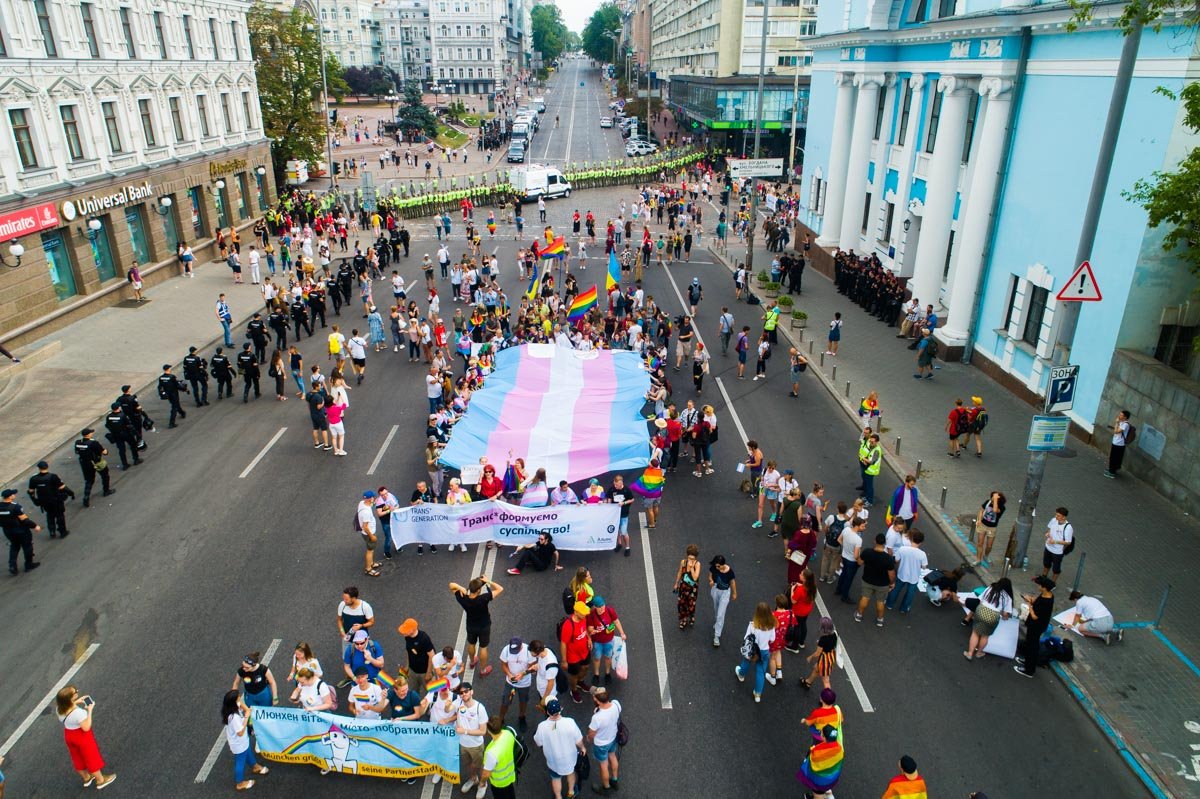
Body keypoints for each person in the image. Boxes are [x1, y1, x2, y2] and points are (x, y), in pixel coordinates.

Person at [54, 686, 116, 789]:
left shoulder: (59, 709)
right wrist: (89, 710)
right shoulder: (78, 713)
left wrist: (76, 702)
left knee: (77, 757)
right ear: (70, 698)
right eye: (75, 692)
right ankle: (101, 780)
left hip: (69, 735)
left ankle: (86, 778)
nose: (77, 691)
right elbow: (86, 727)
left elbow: (68, 709)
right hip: (81, 737)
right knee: (91, 757)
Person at [450, 575, 504, 676]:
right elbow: (500, 589)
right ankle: (483, 670)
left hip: (471, 625)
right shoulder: (483, 598)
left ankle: (472, 661)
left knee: (471, 644)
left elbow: (451, 585)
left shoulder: (463, 598)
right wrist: (488, 581)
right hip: (484, 626)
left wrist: (461, 588)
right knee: (483, 647)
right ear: (479, 590)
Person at [534, 698, 587, 799]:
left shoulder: (542, 727)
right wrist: (583, 748)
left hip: (553, 760)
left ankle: (558, 797)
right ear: (560, 709)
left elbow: (538, 743)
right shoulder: (570, 722)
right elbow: (578, 740)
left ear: (547, 712)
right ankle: (571, 792)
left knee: (556, 778)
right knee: (571, 774)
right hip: (569, 758)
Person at [221, 690, 268, 791]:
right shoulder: (234, 718)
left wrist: (245, 708)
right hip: (239, 743)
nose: (240, 701)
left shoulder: (230, 710)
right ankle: (240, 783)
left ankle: (255, 766)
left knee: (248, 752)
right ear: (233, 703)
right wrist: (247, 716)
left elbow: (245, 708)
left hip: (242, 742)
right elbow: (240, 732)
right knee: (240, 761)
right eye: (238, 699)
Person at [733, 601, 778, 702]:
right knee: (761, 672)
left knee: (746, 663)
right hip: (764, 651)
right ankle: (757, 694)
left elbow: (746, 637)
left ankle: (741, 675)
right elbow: (772, 639)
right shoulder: (771, 626)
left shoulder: (753, 625)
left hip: (753, 650)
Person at [1014, 576, 1056, 678]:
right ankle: (1028, 661)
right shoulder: (1047, 595)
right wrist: (1030, 599)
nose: (1038, 587)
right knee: (1030, 644)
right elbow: (1037, 602)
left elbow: (1035, 616)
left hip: (1036, 626)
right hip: (1036, 625)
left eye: (1040, 585)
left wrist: (1029, 605)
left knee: (1032, 646)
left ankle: (1029, 670)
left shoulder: (1046, 602)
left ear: (1044, 587)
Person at [964, 578, 1014, 660]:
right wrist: (1004, 616)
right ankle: (979, 653)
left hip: (981, 610)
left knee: (975, 632)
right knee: (985, 636)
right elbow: (1005, 614)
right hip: (993, 616)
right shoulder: (1008, 597)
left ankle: (969, 653)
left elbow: (980, 600)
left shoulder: (991, 587)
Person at [455, 683, 489, 797]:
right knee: (469, 764)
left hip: (476, 745)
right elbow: (448, 708)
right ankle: (473, 779)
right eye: (461, 692)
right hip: (463, 743)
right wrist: (447, 705)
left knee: (479, 766)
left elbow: (483, 731)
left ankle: (483, 784)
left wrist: (464, 731)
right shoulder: (459, 703)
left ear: (472, 692)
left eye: (466, 691)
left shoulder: (480, 708)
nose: (463, 694)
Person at [587, 687, 622, 795]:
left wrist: (589, 739)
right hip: (613, 738)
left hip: (601, 744)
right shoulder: (616, 704)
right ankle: (614, 780)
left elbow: (591, 733)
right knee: (612, 756)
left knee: (603, 765)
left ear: (597, 700)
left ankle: (606, 788)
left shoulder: (597, 717)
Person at [25, 461, 71, 539]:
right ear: (47, 467)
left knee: (50, 515)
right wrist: (70, 493)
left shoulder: (33, 479)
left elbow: (31, 491)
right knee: (60, 516)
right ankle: (63, 532)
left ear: (39, 468)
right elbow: (62, 487)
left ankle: (52, 531)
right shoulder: (53, 477)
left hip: (44, 501)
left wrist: (35, 500)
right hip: (56, 500)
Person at [1, 487, 41, 575]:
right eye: (13, 494)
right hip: (21, 531)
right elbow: (24, 520)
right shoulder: (15, 507)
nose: (14, 495)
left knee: (14, 546)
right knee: (27, 547)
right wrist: (35, 526)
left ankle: (12, 565)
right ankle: (28, 564)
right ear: (10, 496)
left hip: (8, 531)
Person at [796, 724, 842, 799]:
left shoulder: (819, 751)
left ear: (824, 737)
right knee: (824, 788)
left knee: (818, 795)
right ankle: (828, 793)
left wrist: (813, 750)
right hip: (831, 777)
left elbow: (813, 762)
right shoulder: (839, 749)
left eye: (821, 732)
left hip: (820, 780)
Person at [587, 597, 626, 686]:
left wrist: (622, 633)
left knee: (608, 657)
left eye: (603, 606)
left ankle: (607, 673)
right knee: (597, 658)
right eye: (599, 607)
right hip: (597, 641)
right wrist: (592, 631)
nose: (602, 609)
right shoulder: (592, 614)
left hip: (609, 640)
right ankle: (596, 674)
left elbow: (616, 622)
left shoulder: (609, 610)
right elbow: (590, 627)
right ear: (595, 607)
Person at [887, 530, 928, 614]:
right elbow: (924, 566)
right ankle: (904, 608)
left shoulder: (902, 549)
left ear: (911, 538)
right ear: (921, 542)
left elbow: (896, 559)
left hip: (902, 574)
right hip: (914, 577)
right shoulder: (922, 554)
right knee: (910, 594)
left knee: (896, 589)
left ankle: (889, 604)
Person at [559, 601, 593, 703]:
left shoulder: (583, 618)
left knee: (585, 667)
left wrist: (589, 638)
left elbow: (585, 630)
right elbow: (563, 643)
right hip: (573, 656)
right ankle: (574, 690)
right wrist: (564, 661)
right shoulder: (568, 625)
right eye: (583, 613)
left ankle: (580, 682)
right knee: (574, 675)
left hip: (585, 651)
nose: (585, 615)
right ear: (576, 612)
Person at [498, 637, 534, 731]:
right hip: (511, 682)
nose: (515, 652)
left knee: (523, 701)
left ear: (521, 645)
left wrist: (523, 674)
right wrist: (509, 674)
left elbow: (533, 667)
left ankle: (521, 717)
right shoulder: (506, 650)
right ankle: (500, 718)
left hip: (524, 683)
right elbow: (504, 665)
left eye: (517, 650)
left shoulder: (528, 651)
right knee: (505, 701)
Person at [73, 428, 113, 508]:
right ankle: (106, 490)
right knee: (105, 475)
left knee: (89, 480)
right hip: (96, 462)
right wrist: (106, 451)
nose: (92, 433)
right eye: (91, 432)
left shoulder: (78, 442)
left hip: (85, 463)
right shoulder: (93, 443)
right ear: (88, 434)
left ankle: (86, 497)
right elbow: (103, 452)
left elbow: (77, 451)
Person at [800, 617, 838, 690]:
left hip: (825, 659)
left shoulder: (823, 639)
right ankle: (808, 682)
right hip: (831, 656)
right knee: (816, 670)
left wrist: (810, 657)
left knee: (826, 681)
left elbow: (817, 653)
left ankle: (827, 698)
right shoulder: (835, 634)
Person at [397, 618, 434, 693]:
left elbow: (432, 655)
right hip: (412, 671)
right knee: (413, 692)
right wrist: (407, 667)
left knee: (432, 693)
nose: (403, 633)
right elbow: (409, 651)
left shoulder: (424, 638)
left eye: (405, 630)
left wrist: (429, 673)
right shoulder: (407, 637)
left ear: (412, 630)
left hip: (424, 672)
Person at [708, 554, 737, 647]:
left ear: (723, 564)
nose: (716, 567)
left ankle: (717, 636)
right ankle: (717, 623)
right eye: (716, 565)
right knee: (716, 609)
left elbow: (732, 582)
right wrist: (711, 581)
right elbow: (710, 575)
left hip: (725, 593)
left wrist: (734, 593)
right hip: (716, 590)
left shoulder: (730, 572)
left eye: (718, 566)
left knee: (721, 614)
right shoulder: (714, 568)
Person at [1040, 506, 1074, 580]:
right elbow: (1049, 529)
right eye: (1056, 514)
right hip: (1048, 547)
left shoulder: (1068, 528)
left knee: (1056, 569)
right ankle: (1043, 578)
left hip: (1057, 552)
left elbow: (1068, 542)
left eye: (1058, 515)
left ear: (1064, 517)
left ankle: (1052, 583)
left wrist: (1055, 541)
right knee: (1046, 564)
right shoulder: (1053, 520)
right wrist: (1048, 533)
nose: (1056, 517)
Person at [673, 544, 701, 630]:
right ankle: (683, 619)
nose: (691, 560)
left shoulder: (697, 564)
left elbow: (695, 577)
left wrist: (692, 568)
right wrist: (676, 583)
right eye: (689, 558)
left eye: (693, 558)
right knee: (682, 603)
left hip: (692, 589)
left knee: (691, 604)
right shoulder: (683, 562)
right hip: (683, 586)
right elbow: (680, 572)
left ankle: (691, 616)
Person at [974, 491, 1006, 566]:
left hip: (992, 528)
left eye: (994, 497)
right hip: (982, 525)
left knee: (989, 546)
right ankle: (978, 560)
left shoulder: (1002, 507)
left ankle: (986, 556)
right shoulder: (987, 502)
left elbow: (995, 510)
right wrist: (979, 520)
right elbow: (981, 511)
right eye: (992, 496)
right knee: (980, 543)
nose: (991, 498)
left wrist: (995, 499)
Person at [609, 474, 635, 555]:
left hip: (624, 515)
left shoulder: (626, 490)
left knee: (624, 532)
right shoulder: (612, 489)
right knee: (617, 531)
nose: (615, 486)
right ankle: (619, 544)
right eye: (614, 484)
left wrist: (623, 503)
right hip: (615, 515)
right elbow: (609, 497)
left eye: (617, 485)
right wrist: (608, 503)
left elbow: (632, 499)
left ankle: (627, 547)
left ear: (621, 483)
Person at [356, 491, 380, 577]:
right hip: (369, 533)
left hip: (367, 533)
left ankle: (372, 563)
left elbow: (370, 504)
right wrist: (372, 536)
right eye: (373, 497)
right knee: (370, 550)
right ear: (370, 498)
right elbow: (365, 527)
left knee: (371, 549)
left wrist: (374, 503)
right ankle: (369, 569)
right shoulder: (366, 512)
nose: (374, 498)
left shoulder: (362, 503)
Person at [1105, 409, 1132, 478]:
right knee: (1112, 457)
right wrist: (1118, 423)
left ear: (1125, 417)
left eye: (1121, 415)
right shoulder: (1121, 422)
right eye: (1119, 414)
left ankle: (1112, 473)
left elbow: (1116, 431)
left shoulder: (1125, 425)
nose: (1119, 416)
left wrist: (1117, 423)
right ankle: (1111, 470)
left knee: (1115, 458)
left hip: (1119, 444)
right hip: (1116, 442)